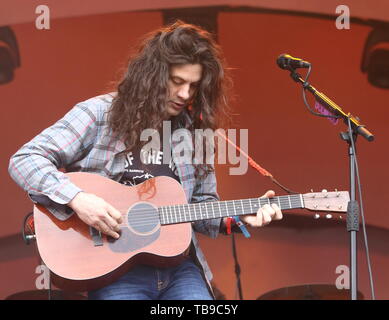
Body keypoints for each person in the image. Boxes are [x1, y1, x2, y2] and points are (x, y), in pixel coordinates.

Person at [8, 21, 282, 300]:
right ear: (151, 75)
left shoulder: (194, 133)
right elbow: (26, 159)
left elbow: (202, 208)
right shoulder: (99, 114)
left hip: (181, 269)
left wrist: (241, 217)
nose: (185, 94)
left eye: (193, 86)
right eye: (177, 82)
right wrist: (78, 199)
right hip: (115, 270)